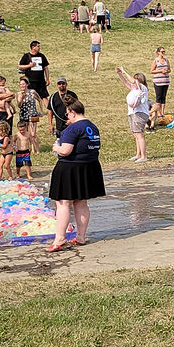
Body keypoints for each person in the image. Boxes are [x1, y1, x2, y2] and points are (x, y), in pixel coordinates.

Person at [48, 101, 103, 251]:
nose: (67, 117)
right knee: (81, 202)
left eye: (67, 114)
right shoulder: (92, 126)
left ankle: (59, 239)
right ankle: (80, 237)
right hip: (89, 166)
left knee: (63, 203)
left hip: (70, 167)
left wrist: (56, 148)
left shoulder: (72, 128)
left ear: (72, 112)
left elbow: (65, 150)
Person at [116, 67, 151, 162]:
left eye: (136, 79)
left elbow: (132, 81)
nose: (133, 82)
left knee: (139, 135)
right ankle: (138, 154)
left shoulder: (142, 88)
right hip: (132, 113)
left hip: (140, 114)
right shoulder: (133, 89)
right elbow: (125, 83)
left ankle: (144, 156)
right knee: (136, 134)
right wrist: (119, 74)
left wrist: (124, 71)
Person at [150, 47, 172, 119]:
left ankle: (162, 112)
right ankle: (158, 112)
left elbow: (169, 69)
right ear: (158, 52)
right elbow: (152, 71)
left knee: (163, 97)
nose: (163, 53)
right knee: (158, 98)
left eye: (164, 51)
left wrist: (167, 70)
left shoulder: (166, 60)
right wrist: (160, 71)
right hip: (158, 82)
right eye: (162, 51)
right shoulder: (156, 61)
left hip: (165, 81)